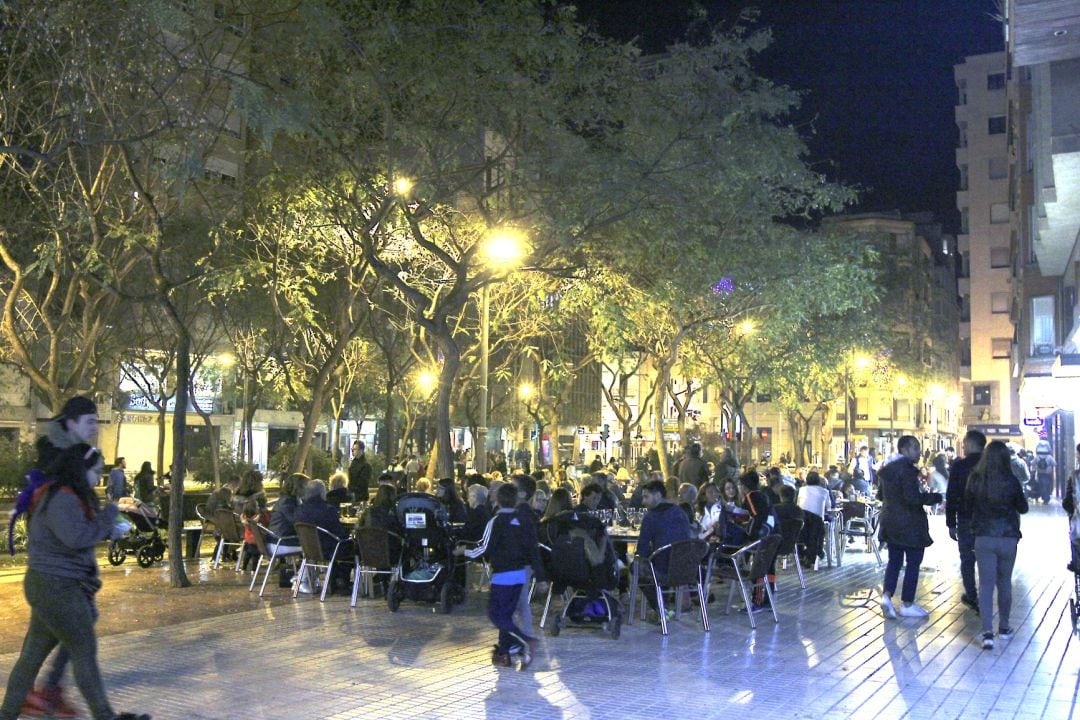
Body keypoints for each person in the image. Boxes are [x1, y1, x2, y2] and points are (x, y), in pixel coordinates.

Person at [0, 443, 151, 720]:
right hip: (58, 588)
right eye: (96, 470)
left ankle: (7, 713)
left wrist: (105, 522)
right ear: (81, 469)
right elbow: (77, 538)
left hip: (49, 585)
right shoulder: (62, 498)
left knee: (32, 655)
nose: (98, 476)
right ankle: (105, 716)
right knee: (83, 651)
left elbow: (76, 535)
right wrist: (109, 514)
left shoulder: (57, 494)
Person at [455, 483, 538, 668]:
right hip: (519, 574)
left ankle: (524, 641)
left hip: (502, 576)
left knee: (496, 615)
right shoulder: (523, 520)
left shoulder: (496, 521)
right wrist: (540, 574)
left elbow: (484, 547)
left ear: (497, 500)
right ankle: (504, 652)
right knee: (506, 615)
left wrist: (464, 551)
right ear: (516, 500)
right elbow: (533, 547)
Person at [965, 440, 1029, 650]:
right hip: (1008, 536)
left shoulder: (975, 479)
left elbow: (967, 506)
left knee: (985, 584)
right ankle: (1004, 627)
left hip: (983, 537)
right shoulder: (1011, 480)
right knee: (1004, 583)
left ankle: (987, 633)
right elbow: (1023, 507)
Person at [877, 436, 942, 620]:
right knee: (913, 562)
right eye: (915, 448)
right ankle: (907, 603)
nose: (919, 452)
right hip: (910, 524)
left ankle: (887, 596)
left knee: (894, 561)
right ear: (905, 449)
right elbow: (912, 499)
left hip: (890, 521)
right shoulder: (906, 471)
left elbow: (881, 495)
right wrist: (934, 498)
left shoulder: (886, 471)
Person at [635, 480, 693, 617]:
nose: (643, 502)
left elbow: (641, 550)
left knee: (638, 567)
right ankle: (665, 604)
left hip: (663, 571)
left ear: (658, 496)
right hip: (686, 569)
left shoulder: (651, 517)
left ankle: (661, 608)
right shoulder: (681, 512)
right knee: (658, 559)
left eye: (646, 497)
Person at [947, 429, 986, 613]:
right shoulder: (990, 465)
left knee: (967, 558)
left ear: (971, 444)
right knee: (986, 558)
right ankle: (985, 596)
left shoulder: (959, 466)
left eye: (964, 443)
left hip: (965, 518)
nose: (962, 446)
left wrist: (950, 523)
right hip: (987, 520)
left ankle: (971, 594)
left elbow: (952, 495)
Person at [294, 480, 351, 592]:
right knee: (350, 548)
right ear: (322, 493)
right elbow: (339, 533)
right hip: (329, 549)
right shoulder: (329, 510)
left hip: (308, 549)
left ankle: (335, 579)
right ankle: (343, 580)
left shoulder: (299, 510)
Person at [269, 473, 307, 587]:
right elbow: (297, 522)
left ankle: (304, 577)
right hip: (281, 542)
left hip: (275, 539)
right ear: (298, 487)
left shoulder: (285, 500)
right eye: (306, 486)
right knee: (313, 546)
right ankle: (304, 579)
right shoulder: (288, 502)